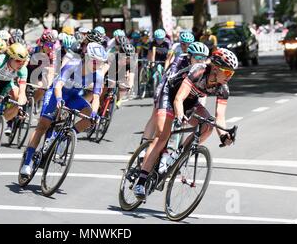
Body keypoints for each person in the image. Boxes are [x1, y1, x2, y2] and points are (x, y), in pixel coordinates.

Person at [133, 48, 238, 199]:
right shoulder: (198, 71)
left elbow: (219, 117)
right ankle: (141, 181)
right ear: (215, 68)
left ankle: (181, 153)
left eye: (232, 73)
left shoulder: (223, 88)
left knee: (208, 125)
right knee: (162, 136)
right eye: (227, 72)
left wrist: (224, 135)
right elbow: (178, 99)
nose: (229, 77)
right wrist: (180, 114)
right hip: (170, 95)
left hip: (190, 101)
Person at [19, 42, 108, 177]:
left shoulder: (98, 75)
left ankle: (66, 137)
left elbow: (96, 98)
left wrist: (95, 114)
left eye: (101, 63)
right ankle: (26, 163)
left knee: (90, 117)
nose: (98, 66)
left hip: (73, 96)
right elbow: (58, 85)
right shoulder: (73, 65)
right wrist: (59, 99)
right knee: (43, 126)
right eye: (96, 62)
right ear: (88, 58)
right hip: (56, 93)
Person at [139, 42, 210, 147]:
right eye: (197, 57)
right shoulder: (181, 59)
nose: (200, 60)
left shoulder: (203, 69)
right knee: (156, 114)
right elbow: (172, 77)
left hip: (182, 93)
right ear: (190, 56)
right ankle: (144, 146)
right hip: (167, 86)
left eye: (203, 58)